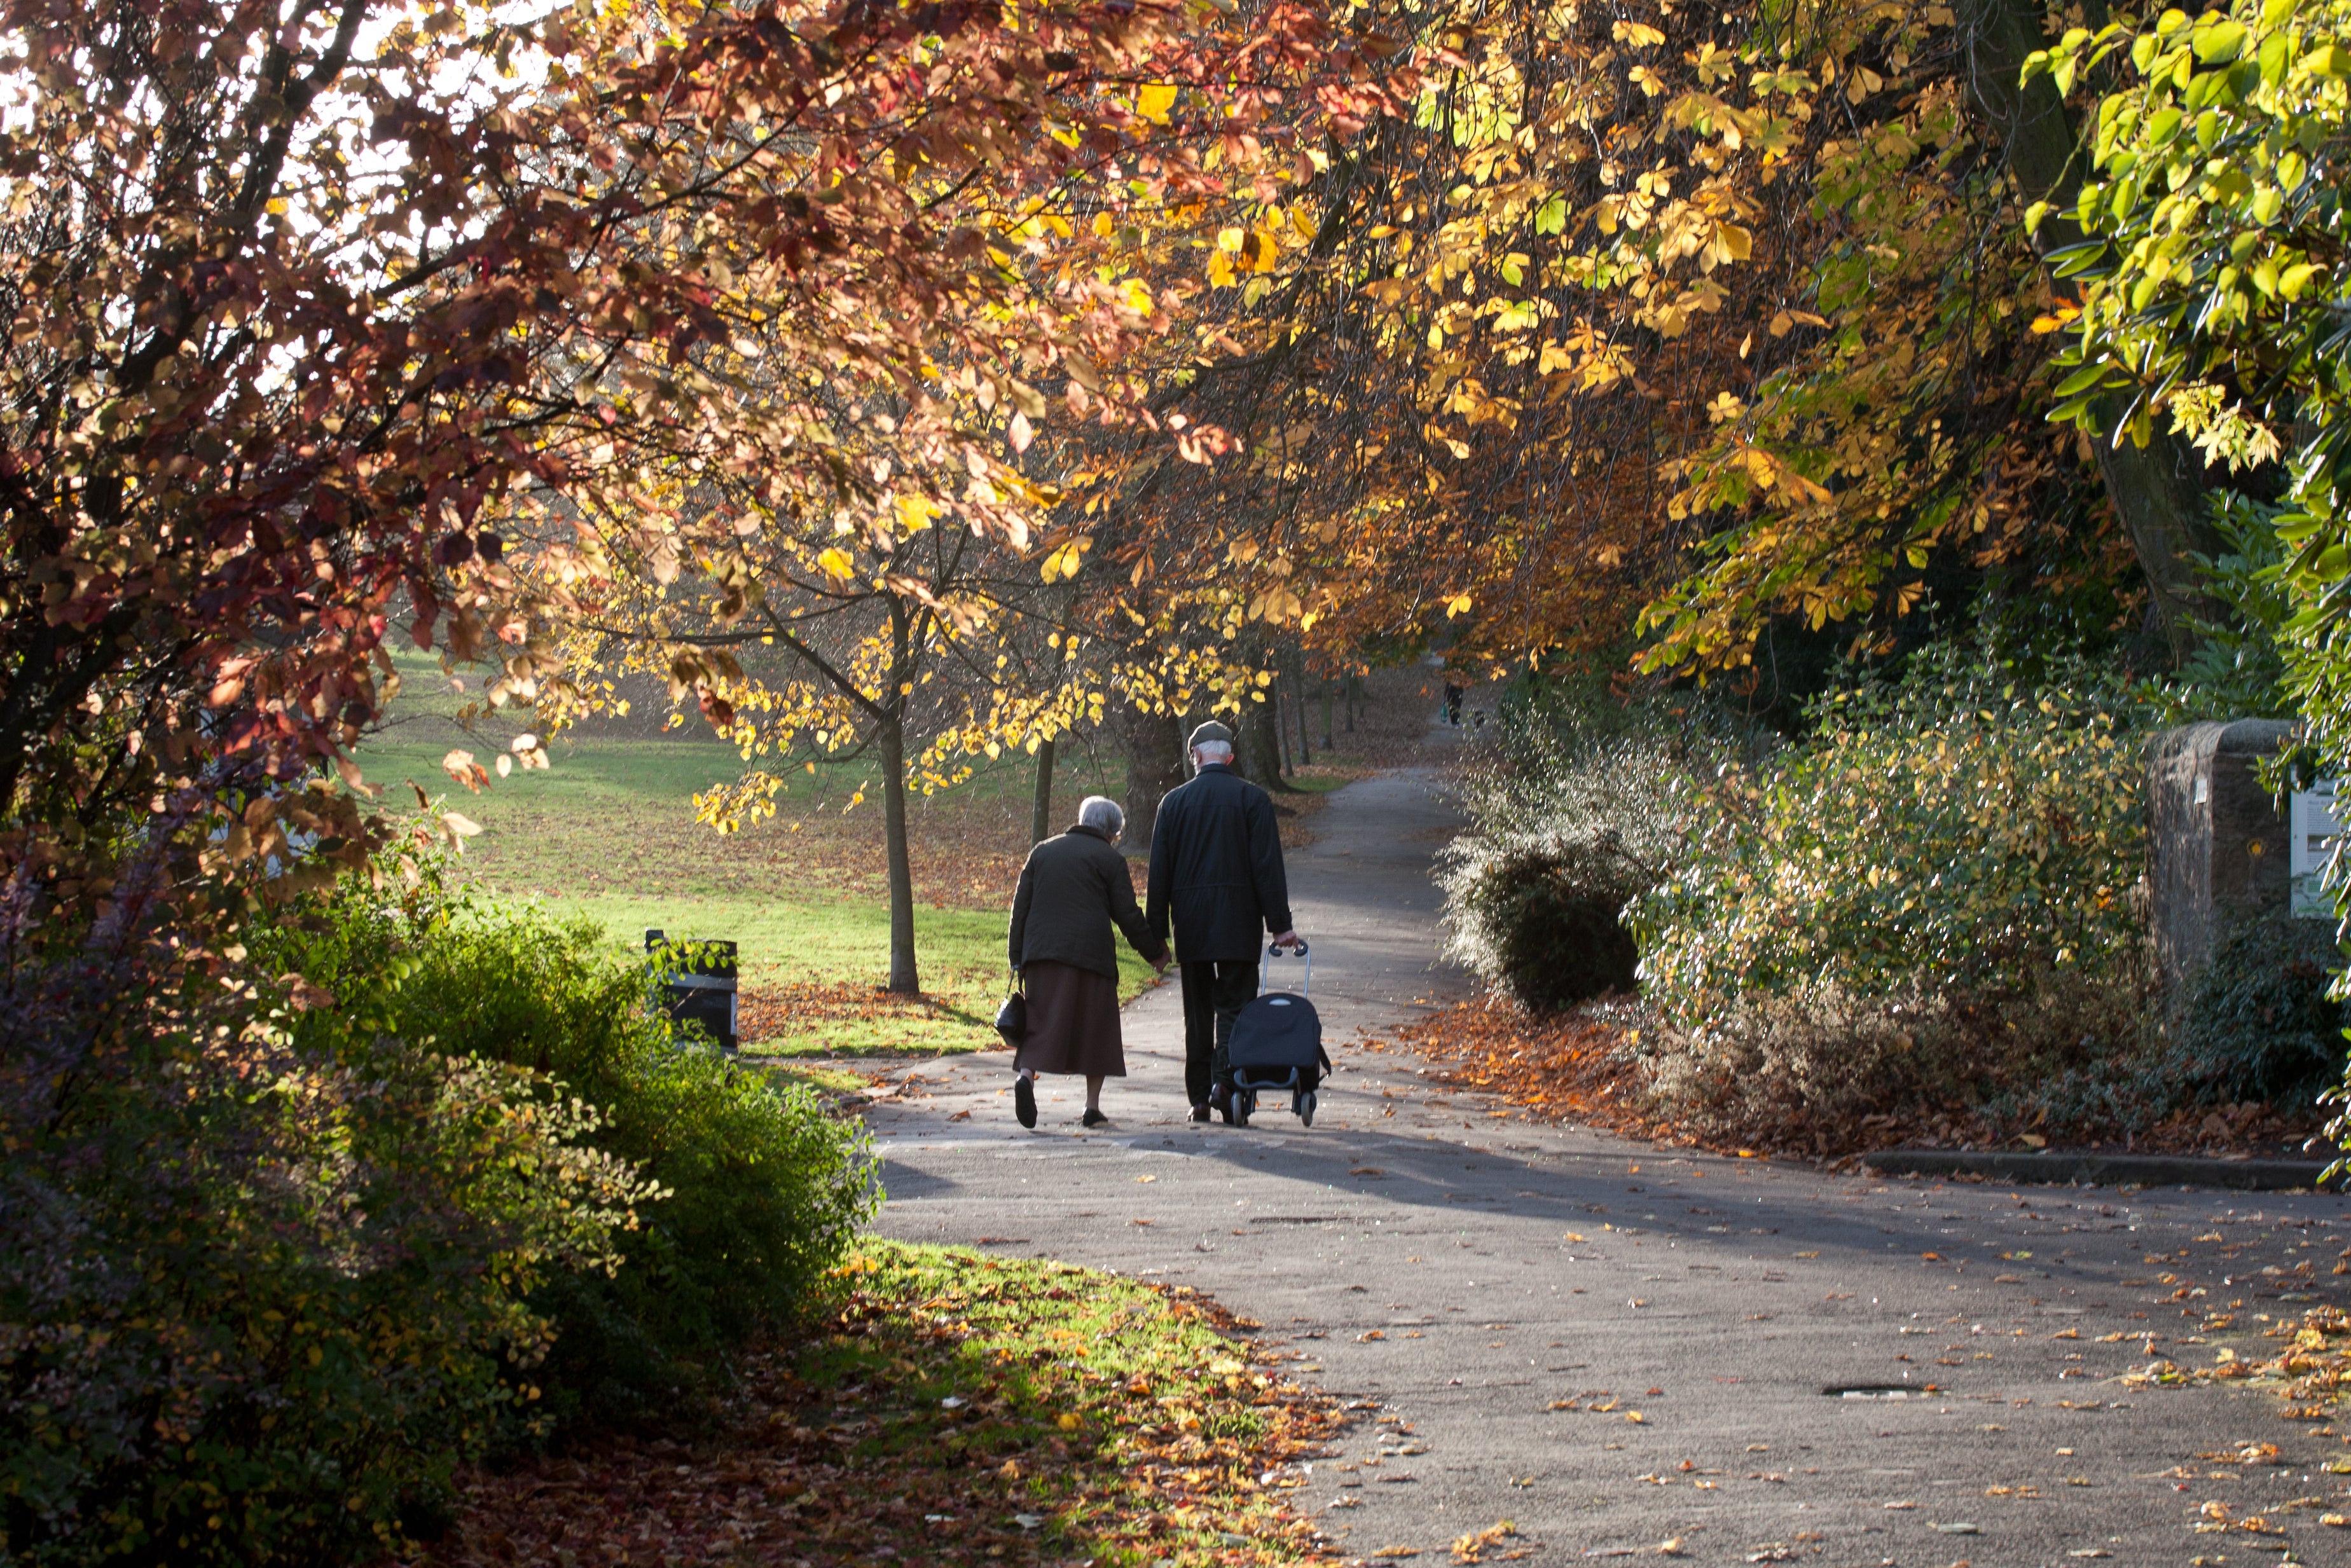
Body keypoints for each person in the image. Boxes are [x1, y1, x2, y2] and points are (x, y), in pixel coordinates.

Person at [1145, 720, 1301, 1124]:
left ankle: (1199, 1099)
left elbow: (1158, 874)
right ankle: (1227, 1085)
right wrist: (1280, 924)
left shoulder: (1173, 803)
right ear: (1230, 757)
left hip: (1192, 925)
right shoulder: (1253, 800)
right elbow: (1268, 867)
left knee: (1197, 1015)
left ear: (1194, 756)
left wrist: (1156, 939)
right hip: (1238, 922)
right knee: (1236, 1008)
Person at [1005, 795, 1170, 1129]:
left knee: (1040, 1022)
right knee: (1097, 1030)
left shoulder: (1043, 851)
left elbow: (1019, 907)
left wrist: (1017, 957)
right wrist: (1154, 952)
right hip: (1090, 956)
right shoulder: (1109, 860)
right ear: (1112, 831)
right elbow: (1127, 915)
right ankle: (1091, 1107)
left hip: (1041, 954)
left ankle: (1026, 1077)